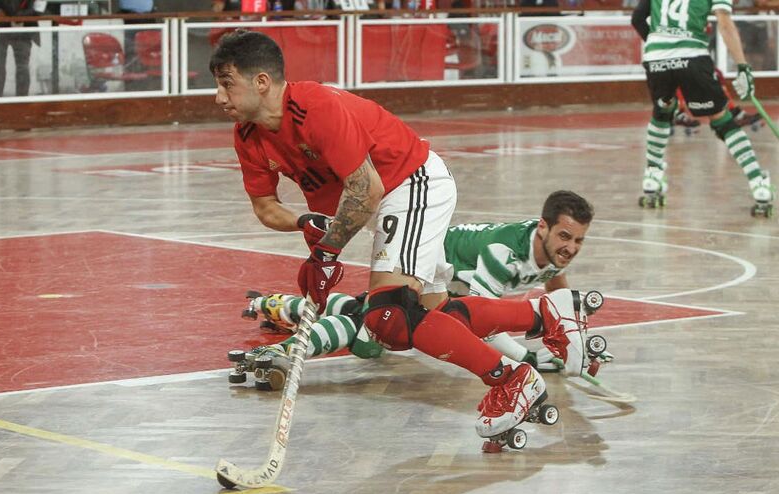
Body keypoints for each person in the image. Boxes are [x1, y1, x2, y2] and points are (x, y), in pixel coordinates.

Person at [211, 30, 589, 443]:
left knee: (389, 317)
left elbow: (365, 188)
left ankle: (512, 380)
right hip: (383, 204)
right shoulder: (248, 135)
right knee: (436, 314)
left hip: (411, 185)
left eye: (227, 84)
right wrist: (305, 222)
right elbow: (266, 207)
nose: (219, 97)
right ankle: (545, 314)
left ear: (261, 81)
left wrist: (326, 253)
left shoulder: (315, 108)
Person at [235, 190, 599, 389]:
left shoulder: (552, 248)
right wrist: (527, 358)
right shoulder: (503, 253)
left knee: (366, 315)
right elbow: (486, 326)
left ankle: (274, 306)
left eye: (579, 241)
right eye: (565, 237)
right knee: (371, 334)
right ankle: (282, 349)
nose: (571, 248)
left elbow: (556, 286)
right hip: (424, 263)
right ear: (542, 227)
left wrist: (572, 340)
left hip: (441, 285)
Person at [631, 0, 774, 216]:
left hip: (656, 58)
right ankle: (758, 184)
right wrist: (743, 66)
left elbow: (637, 18)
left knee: (662, 112)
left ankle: (652, 176)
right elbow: (724, 23)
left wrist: (658, 43)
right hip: (692, 56)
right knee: (721, 120)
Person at [0, 0, 41, 97]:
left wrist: (19, 15)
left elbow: (39, 10)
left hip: (24, 32)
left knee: (22, 67)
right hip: (2, 30)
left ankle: (22, 99)